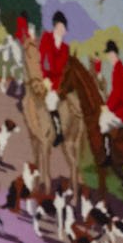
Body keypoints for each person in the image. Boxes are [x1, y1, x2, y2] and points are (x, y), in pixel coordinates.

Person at [38, 11, 70, 146]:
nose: (63, 30)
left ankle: (58, 133)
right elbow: (40, 58)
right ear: (55, 26)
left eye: (64, 28)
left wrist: (55, 84)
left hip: (58, 82)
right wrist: (44, 77)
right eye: (60, 27)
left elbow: (61, 70)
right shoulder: (46, 38)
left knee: (52, 101)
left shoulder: (65, 48)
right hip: (44, 77)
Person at [98, 40, 123, 141]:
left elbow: (117, 93)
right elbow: (115, 93)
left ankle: (107, 155)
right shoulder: (118, 68)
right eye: (108, 54)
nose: (108, 57)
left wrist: (108, 107)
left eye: (109, 54)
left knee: (103, 120)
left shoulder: (118, 69)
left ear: (113, 53)